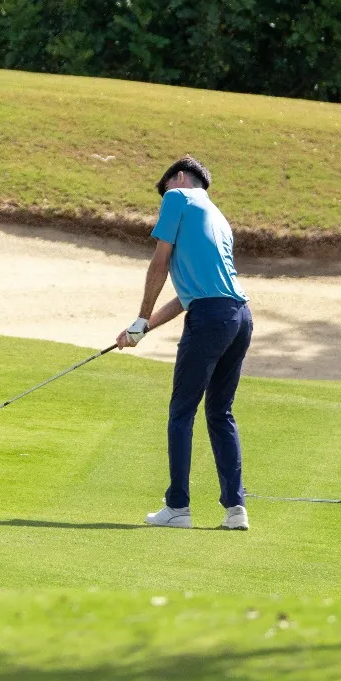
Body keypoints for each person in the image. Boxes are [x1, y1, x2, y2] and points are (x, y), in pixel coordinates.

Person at [115, 155, 252, 530]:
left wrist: (141, 317)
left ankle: (178, 507)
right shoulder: (218, 217)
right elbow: (186, 297)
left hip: (212, 318)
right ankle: (235, 510)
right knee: (220, 412)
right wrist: (143, 329)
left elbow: (159, 264)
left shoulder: (178, 198)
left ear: (178, 178)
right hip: (239, 318)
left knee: (181, 412)